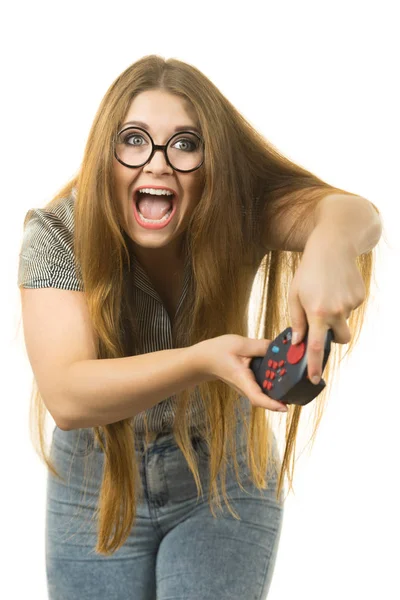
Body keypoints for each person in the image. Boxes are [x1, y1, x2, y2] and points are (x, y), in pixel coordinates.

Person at [18, 55, 381, 599]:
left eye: (185, 144)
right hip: (95, 482)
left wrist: (330, 244)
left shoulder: (233, 211)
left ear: (211, 162)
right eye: (134, 140)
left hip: (222, 477)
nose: (157, 164)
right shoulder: (56, 237)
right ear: (104, 157)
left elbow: (358, 214)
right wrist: (202, 359)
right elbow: (67, 396)